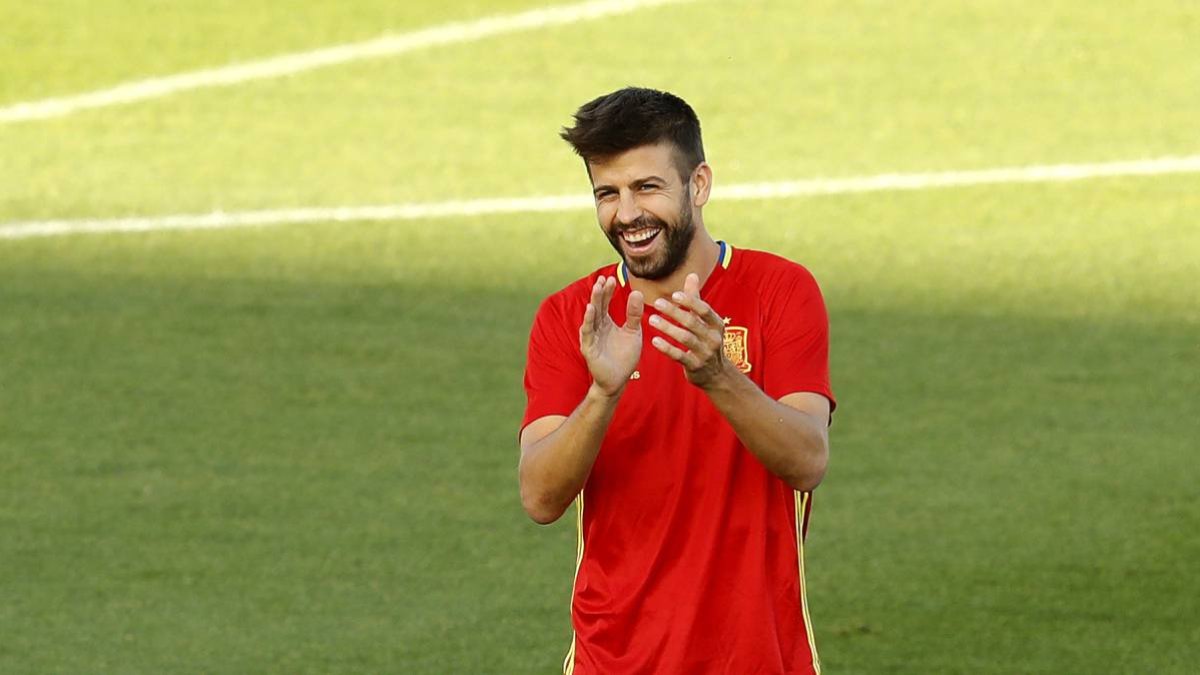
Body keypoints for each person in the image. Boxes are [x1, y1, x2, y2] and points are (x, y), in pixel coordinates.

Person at [519, 87, 836, 675]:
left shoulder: (780, 292)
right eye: (606, 194)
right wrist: (602, 394)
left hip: (760, 658)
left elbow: (808, 459)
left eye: (647, 187)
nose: (627, 214)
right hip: (612, 661)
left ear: (699, 185)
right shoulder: (572, 316)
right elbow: (539, 497)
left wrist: (718, 376)